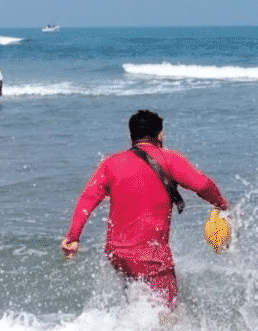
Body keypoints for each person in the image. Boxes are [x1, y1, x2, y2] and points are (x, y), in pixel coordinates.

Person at [61, 110, 229, 310]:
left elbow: (87, 199)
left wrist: (73, 237)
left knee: (134, 305)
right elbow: (203, 185)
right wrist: (221, 205)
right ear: (160, 135)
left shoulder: (111, 163)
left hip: (117, 253)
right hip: (151, 254)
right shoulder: (169, 159)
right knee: (167, 311)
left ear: (131, 136)